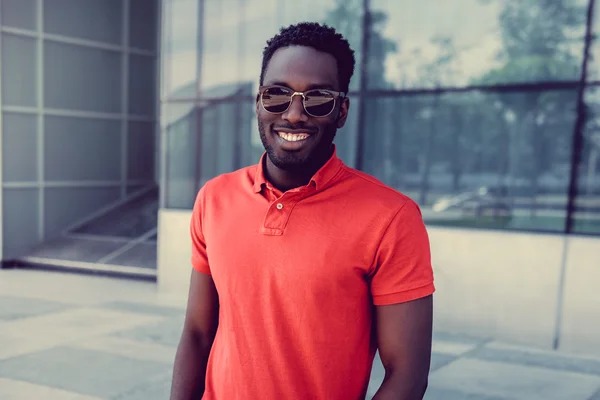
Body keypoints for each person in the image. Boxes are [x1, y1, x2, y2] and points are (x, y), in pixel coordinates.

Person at [170, 22, 435, 400]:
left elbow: (407, 376)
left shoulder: (391, 218)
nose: (294, 114)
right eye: (277, 94)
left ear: (341, 111)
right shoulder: (214, 198)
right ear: (258, 103)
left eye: (318, 98)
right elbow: (197, 333)